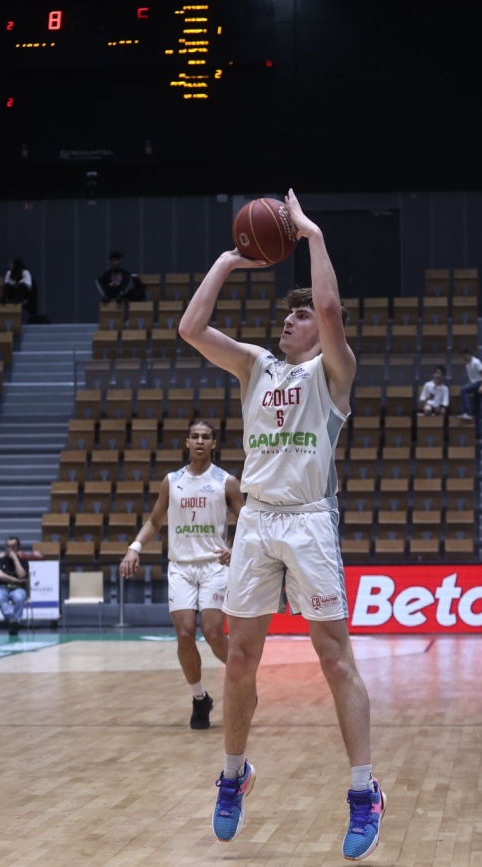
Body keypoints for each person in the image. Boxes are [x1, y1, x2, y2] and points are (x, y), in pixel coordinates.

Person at [178, 190, 385, 861]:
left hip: (308, 522)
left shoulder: (334, 372)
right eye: (286, 315)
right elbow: (190, 327)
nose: (288, 322)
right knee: (240, 657)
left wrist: (314, 233)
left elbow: (328, 308)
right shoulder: (254, 366)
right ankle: (233, 775)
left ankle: (363, 791)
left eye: (296, 317)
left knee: (334, 658)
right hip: (259, 521)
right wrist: (229, 260)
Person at [119, 419, 244, 729]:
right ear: (187, 442)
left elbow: (249, 520)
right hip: (180, 567)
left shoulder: (226, 481)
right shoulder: (171, 481)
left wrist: (237, 547)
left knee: (214, 633)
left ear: (214, 444)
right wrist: (134, 547)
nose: (200, 441)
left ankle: (245, 681)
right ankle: (200, 698)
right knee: (185, 633)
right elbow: (154, 521)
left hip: (215, 565)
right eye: (194, 436)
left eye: (205, 437)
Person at [0, 535, 30, 634]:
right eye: (8, 547)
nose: (10, 549)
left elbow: (22, 575)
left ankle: (14, 625)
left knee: (19, 597)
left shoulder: (23, 561)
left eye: (13, 547)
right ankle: (12, 619)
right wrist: (16, 580)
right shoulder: (0, 559)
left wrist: (15, 559)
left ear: (18, 548)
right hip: (2, 588)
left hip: (17, 589)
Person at [458, 346, 482, 423]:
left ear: (468, 354)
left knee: (463, 390)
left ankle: (466, 412)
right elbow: (472, 380)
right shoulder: (467, 365)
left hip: (481, 383)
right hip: (476, 383)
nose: (464, 358)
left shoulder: (476, 362)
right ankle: (478, 433)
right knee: (476, 410)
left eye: (464, 356)